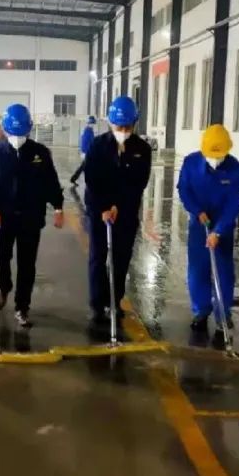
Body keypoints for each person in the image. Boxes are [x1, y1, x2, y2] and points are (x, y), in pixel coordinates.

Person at [0, 103, 65, 328]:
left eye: (21, 132)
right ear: (5, 130)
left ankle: (22, 307)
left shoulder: (40, 153)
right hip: (3, 217)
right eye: (13, 132)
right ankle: (4, 286)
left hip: (30, 217)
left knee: (27, 264)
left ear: (29, 129)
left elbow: (51, 182)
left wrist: (58, 207)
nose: (17, 137)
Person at [83, 97, 151, 324]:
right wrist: (104, 207)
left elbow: (138, 183)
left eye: (127, 127)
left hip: (126, 212)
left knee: (121, 259)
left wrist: (117, 206)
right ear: (111, 123)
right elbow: (92, 180)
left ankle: (114, 300)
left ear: (134, 123)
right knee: (98, 257)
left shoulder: (142, 149)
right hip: (99, 211)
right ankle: (97, 303)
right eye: (118, 127)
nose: (123, 131)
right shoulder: (98, 145)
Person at [177, 124, 239, 333]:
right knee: (198, 269)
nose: (215, 159)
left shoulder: (236, 170)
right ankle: (201, 310)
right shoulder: (191, 163)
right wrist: (197, 211)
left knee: (223, 270)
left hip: (223, 224)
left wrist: (219, 231)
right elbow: (184, 190)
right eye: (211, 155)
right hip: (199, 223)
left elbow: (234, 204)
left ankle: (223, 314)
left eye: (219, 155)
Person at [69, 115, 97, 186]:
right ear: (89, 123)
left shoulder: (88, 130)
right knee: (88, 167)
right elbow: (86, 142)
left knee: (83, 167)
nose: (93, 125)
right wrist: (86, 152)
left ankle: (73, 179)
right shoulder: (88, 131)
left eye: (93, 123)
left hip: (86, 152)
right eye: (92, 123)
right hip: (87, 152)